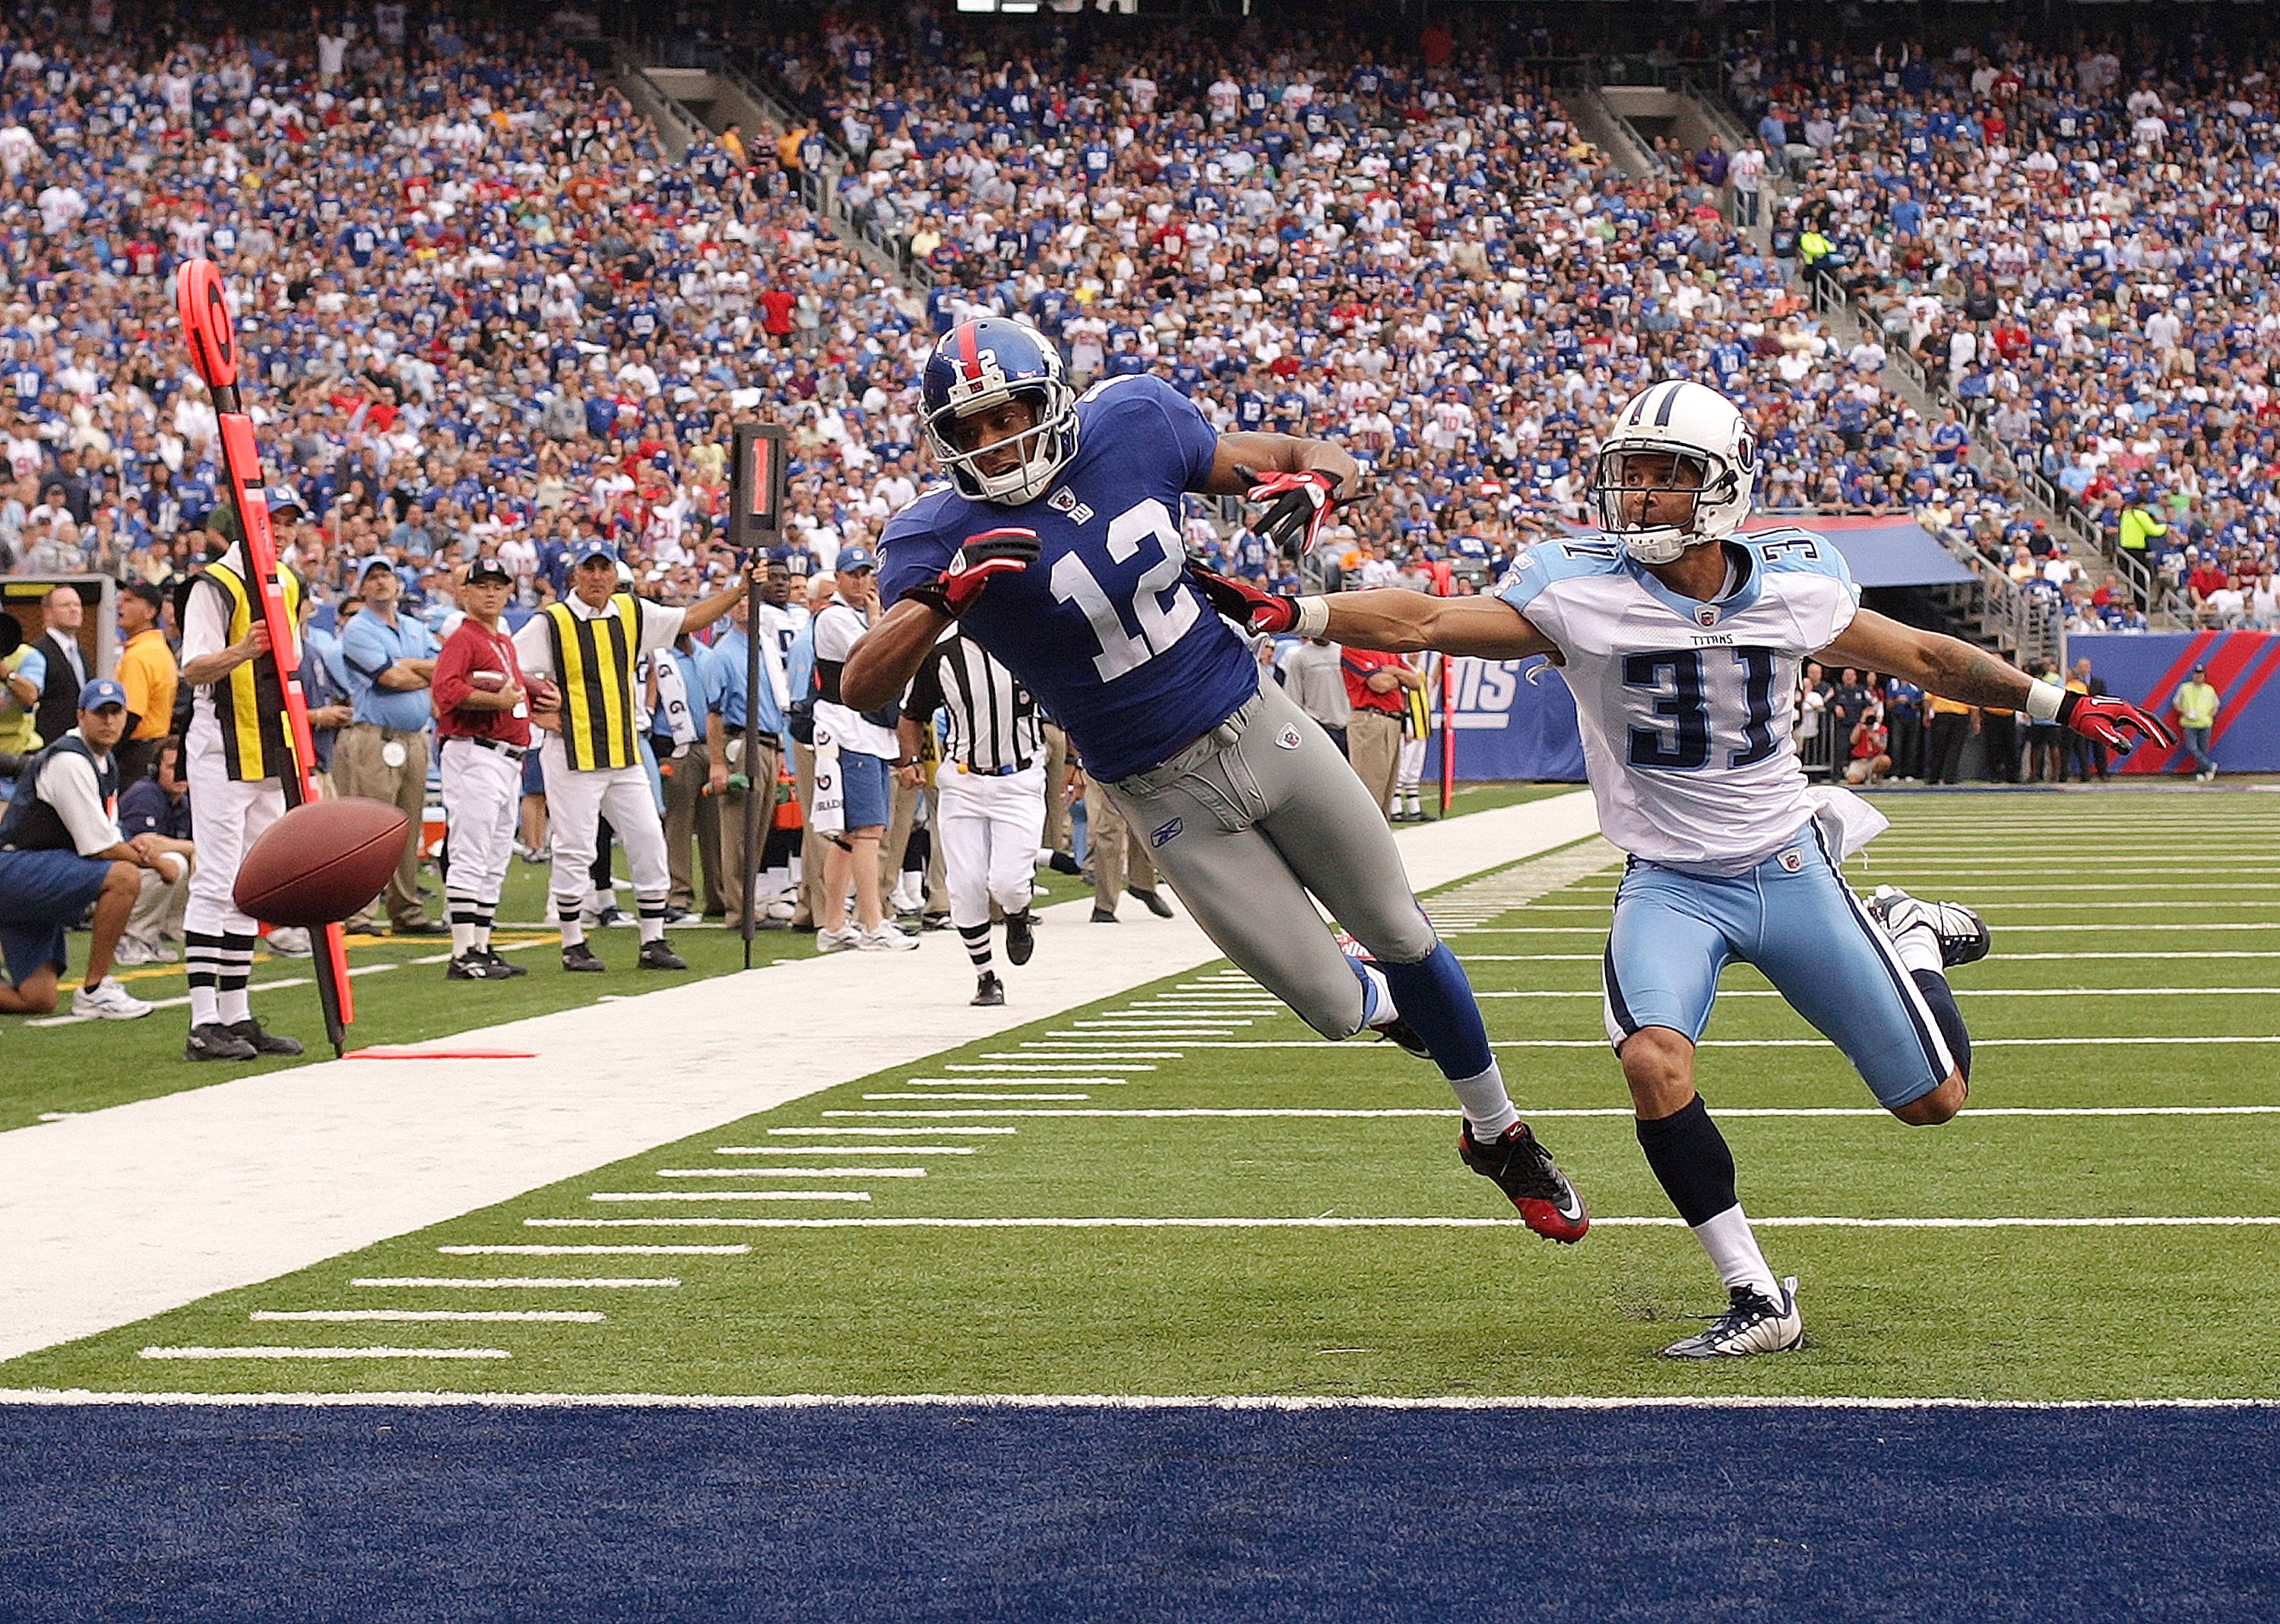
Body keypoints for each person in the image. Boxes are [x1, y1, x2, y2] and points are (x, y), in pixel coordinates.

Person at [1195, 378, 2171, 1353]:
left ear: (1725, 486)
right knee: (1652, 1061)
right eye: (1633, 477)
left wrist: (2060, 703)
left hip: (1789, 865)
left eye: (1670, 476)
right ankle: (1756, 1295)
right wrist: (1302, 609)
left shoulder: (1794, 580)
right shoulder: (1578, 588)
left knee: (1933, 1101)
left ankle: (1907, 937)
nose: (1644, 497)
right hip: (1668, 881)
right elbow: (1430, 623)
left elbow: (1923, 655)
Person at [849, 316, 1589, 1243]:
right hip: (1158, 793)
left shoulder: (1136, 421)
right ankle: (1387, 1002)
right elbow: (865, 683)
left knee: (1402, 923)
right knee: (1331, 1008)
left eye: (1011, 414)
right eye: (972, 430)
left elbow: (1300, 451)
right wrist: (939, 597)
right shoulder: (936, 533)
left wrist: (1319, 478)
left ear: (1054, 399)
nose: (998, 443)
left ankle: (1499, 1132)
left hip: (1257, 721)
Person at [514, 537, 757, 972]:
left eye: (604, 569)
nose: (597, 577)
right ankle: (572, 941)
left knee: (647, 836)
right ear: (575, 575)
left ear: (615, 574)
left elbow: (689, 618)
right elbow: (510, 669)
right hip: (574, 751)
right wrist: (535, 714)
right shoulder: (551, 622)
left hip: (624, 750)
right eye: (589, 569)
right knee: (575, 845)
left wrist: (738, 592)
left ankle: (653, 939)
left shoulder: (631, 611)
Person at [176, 520, 309, 1062]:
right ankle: (202, 1020)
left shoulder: (289, 582)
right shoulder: (216, 583)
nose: (282, 533)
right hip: (222, 744)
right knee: (216, 878)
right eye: (273, 521)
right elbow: (193, 668)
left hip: (269, 748)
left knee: (252, 884)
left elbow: (290, 670)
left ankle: (236, 1013)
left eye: (290, 523)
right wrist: (242, 649)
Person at [0, 680, 186, 1020]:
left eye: (116, 712)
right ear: (81, 716)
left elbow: (110, 833)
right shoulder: (69, 760)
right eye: (100, 713)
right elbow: (99, 849)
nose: (109, 721)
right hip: (15, 868)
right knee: (123, 877)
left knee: (37, 998)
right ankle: (95, 988)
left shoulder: (103, 763)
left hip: (33, 874)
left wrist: (134, 844)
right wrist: (157, 861)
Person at [899, 625, 1044, 1005]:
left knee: (1009, 883)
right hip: (962, 780)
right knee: (964, 886)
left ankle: (1017, 914)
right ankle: (986, 977)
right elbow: (912, 713)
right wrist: (911, 760)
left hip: (1020, 777)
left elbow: (1071, 703)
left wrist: (1078, 761)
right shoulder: (942, 654)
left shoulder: (1029, 643)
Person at [809, 544, 919, 954]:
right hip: (849, 731)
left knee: (849, 835)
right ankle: (873, 921)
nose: (860, 581)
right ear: (837, 579)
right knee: (868, 829)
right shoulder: (834, 618)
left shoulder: (853, 616)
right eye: (852, 574)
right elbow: (876, 655)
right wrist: (878, 620)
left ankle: (835, 923)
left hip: (870, 731)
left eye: (865, 573)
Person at [430, 558, 535, 981]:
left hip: (505, 755)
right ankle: (461, 952)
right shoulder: (464, 637)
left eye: (498, 585)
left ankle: (481, 943)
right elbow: (446, 690)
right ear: (465, 593)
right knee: (471, 852)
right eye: (482, 586)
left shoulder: (502, 641)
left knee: (493, 855)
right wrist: (496, 702)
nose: (491, 593)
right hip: (476, 750)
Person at [334, 554, 442, 937]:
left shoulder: (414, 627)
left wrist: (409, 666)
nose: (381, 582)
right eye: (373, 577)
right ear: (361, 588)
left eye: (386, 576)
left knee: (408, 828)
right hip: (374, 737)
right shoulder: (358, 629)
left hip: (414, 738)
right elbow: (390, 679)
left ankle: (406, 910)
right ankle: (359, 914)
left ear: (397, 583)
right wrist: (418, 671)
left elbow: (442, 667)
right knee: (370, 829)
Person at [115, 733, 195, 966]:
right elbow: (144, 844)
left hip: (138, 874)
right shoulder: (145, 794)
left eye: (183, 767)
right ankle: (129, 937)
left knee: (193, 861)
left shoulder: (184, 802)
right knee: (175, 862)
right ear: (154, 770)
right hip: (116, 875)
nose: (180, 774)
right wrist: (189, 847)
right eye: (172, 767)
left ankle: (163, 932)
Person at [1341, 644, 1423, 820]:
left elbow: (1416, 682)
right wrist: (1400, 678)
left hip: (1393, 721)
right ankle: (1363, 841)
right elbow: (1379, 685)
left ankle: (1379, 840)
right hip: (1371, 720)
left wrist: (1393, 671)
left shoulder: (1388, 651)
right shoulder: (1355, 648)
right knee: (1371, 789)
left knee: (1388, 791)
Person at [113, 582, 178, 785]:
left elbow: (132, 714)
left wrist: (106, 752)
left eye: (129, 600)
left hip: (135, 754)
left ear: (150, 612)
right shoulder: (159, 647)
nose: (120, 605)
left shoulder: (140, 655)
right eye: (121, 599)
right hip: (154, 748)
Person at [21, 585, 90, 751]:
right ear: (48, 613)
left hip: (78, 745)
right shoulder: (36, 653)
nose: (74, 610)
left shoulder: (81, 653)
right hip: (48, 747)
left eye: (77, 605)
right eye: (66, 605)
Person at [2174, 664, 2221, 782]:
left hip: (2205, 724)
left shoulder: (2209, 689)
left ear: (2204, 676)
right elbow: (2176, 703)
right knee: (2192, 748)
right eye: (2196, 674)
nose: (2198, 676)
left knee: (2203, 750)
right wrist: (2185, 713)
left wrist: (2210, 715)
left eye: (2200, 674)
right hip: (2189, 724)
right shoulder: (2185, 688)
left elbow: (2216, 705)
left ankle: (2202, 773)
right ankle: (2210, 766)